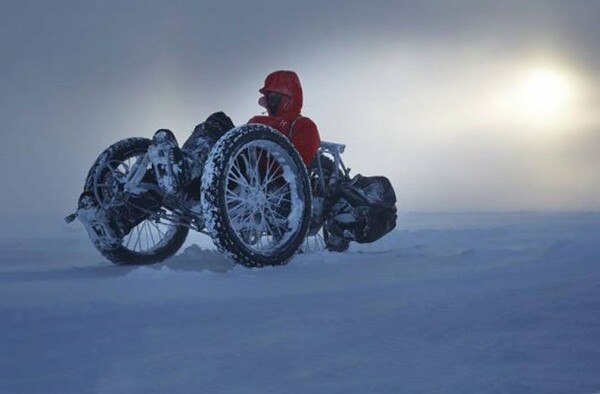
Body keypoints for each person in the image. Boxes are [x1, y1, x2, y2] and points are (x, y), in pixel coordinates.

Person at [149, 70, 320, 195]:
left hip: (256, 175)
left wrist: (262, 156)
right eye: (267, 97)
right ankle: (135, 201)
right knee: (216, 122)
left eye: (271, 97)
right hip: (233, 166)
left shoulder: (303, 125)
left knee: (219, 122)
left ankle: (185, 168)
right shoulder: (257, 120)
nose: (268, 102)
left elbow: (297, 163)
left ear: (287, 98)